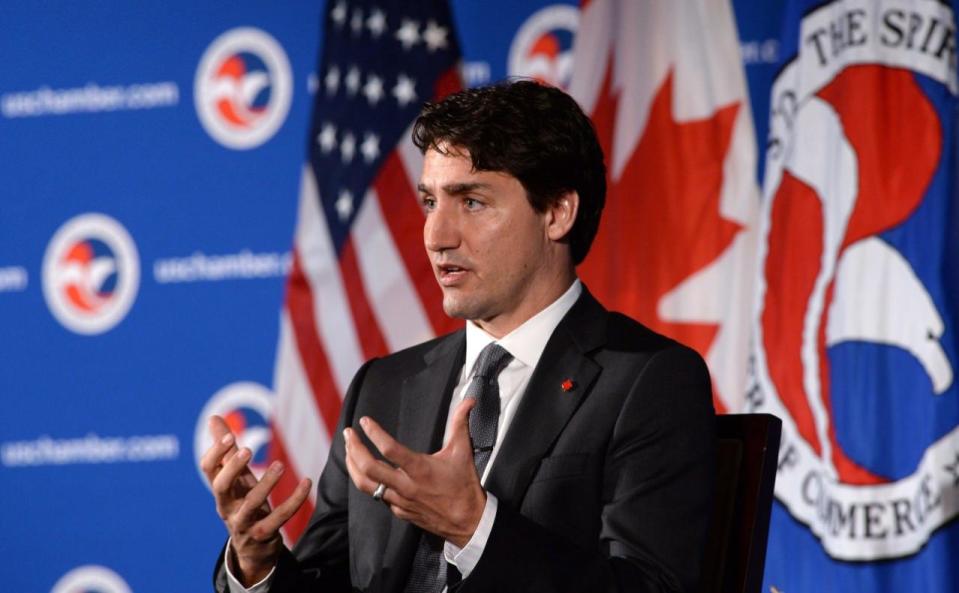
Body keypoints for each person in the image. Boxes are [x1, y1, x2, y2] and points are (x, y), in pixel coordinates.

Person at [202, 80, 716, 593]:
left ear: (557, 213)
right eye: (430, 202)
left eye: (470, 202)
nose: (436, 236)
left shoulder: (648, 381)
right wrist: (257, 563)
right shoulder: (383, 386)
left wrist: (475, 529)